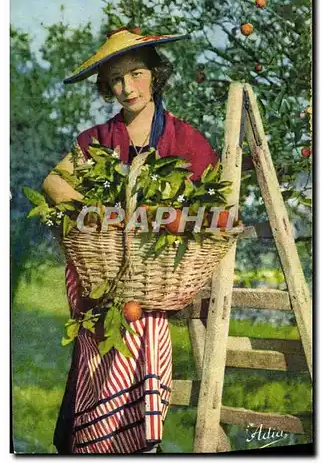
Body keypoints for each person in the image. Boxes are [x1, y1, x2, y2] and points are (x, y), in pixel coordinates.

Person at [43, 27, 219, 454]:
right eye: (116, 80)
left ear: (154, 75)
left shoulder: (184, 140)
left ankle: (136, 442)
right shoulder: (99, 141)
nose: (127, 87)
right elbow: (53, 182)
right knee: (100, 355)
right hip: (103, 278)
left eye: (136, 74)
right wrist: (100, 213)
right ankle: (98, 440)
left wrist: (168, 218)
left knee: (143, 334)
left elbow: (213, 211)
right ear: (107, 87)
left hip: (155, 282)